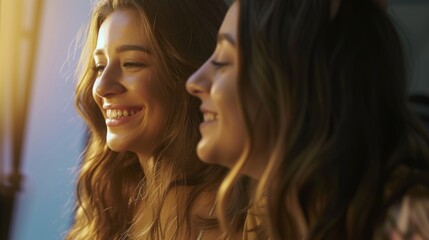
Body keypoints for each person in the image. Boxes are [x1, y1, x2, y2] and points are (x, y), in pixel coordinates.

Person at [186, 0, 429, 239]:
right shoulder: (273, 211)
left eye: (223, 61)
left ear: (297, 82)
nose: (194, 82)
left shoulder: (405, 222)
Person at [66, 0, 251, 239]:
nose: (102, 86)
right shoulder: (109, 204)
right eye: (100, 66)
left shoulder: (237, 219)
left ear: (187, 73)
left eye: (131, 63)